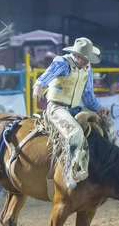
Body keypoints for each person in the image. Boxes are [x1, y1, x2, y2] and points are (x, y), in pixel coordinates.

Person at [32, 37, 109, 189]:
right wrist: (38, 85)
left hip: (74, 109)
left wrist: (99, 108)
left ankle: (90, 170)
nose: (88, 62)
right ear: (78, 56)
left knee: (99, 131)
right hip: (56, 108)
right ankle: (69, 171)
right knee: (74, 132)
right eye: (86, 59)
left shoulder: (87, 69)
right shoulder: (63, 62)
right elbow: (45, 77)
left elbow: (88, 95)